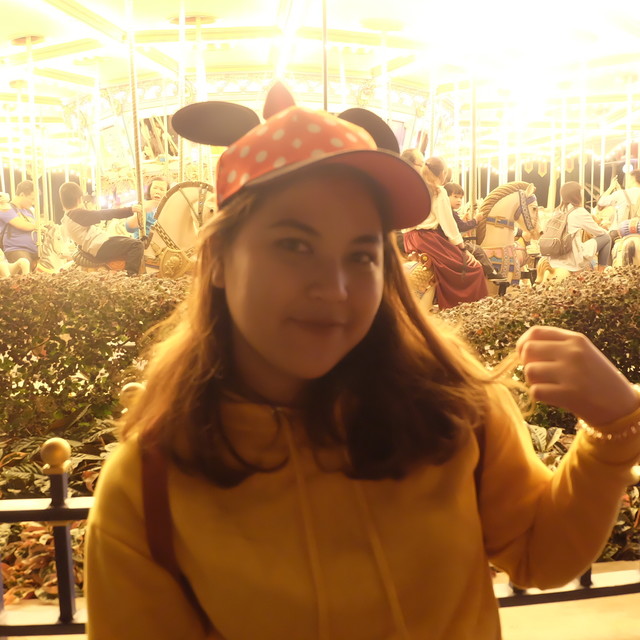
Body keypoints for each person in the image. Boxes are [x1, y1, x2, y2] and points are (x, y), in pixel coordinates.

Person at [85, 102, 640, 640]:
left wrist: (614, 428)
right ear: (220, 260)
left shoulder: (453, 408)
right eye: (294, 245)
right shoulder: (148, 485)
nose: (335, 289)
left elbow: (538, 553)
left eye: (362, 254)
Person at [402, 155, 488, 308]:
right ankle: (462, 309)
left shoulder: (413, 188)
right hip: (427, 239)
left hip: (410, 239)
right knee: (473, 268)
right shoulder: (438, 191)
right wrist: (462, 248)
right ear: (443, 173)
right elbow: (448, 224)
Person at [59, 182, 144, 275]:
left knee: (129, 240)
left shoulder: (66, 218)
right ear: (79, 199)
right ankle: (131, 276)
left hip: (96, 245)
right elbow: (103, 214)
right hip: (99, 246)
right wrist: (130, 210)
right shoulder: (76, 214)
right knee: (137, 245)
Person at [444, 182, 504, 280]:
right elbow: (462, 227)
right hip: (451, 244)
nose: (459, 200)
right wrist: (476, 220)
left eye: (461, 198)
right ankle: (491, 272)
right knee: (478, 250)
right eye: (455, 197)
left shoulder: (450, 212)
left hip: (448, 241)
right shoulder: (451, 213)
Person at [549, 181, 611, 273]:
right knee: (606, 238)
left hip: (553, 259)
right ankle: (601, 272)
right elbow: (599, 232)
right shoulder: (579, 211)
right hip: (572, 258)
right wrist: (607, 230)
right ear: (577, 196)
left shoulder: (556, 212)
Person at [2, 180, 38, 270]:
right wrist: (38, 226)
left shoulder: (28, 212)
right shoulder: (6, 208)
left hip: (34, 251)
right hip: (16, 249)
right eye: (32, 199)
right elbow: (21, 225)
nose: (33, 203)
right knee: (25, 265)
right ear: (22, 195)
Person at [597, 171, 640, 241]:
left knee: (603, 243)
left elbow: (601, 202)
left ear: (632, 178)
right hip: (638, 231)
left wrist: (611, 187)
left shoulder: (620, 193)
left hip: (619, 231)